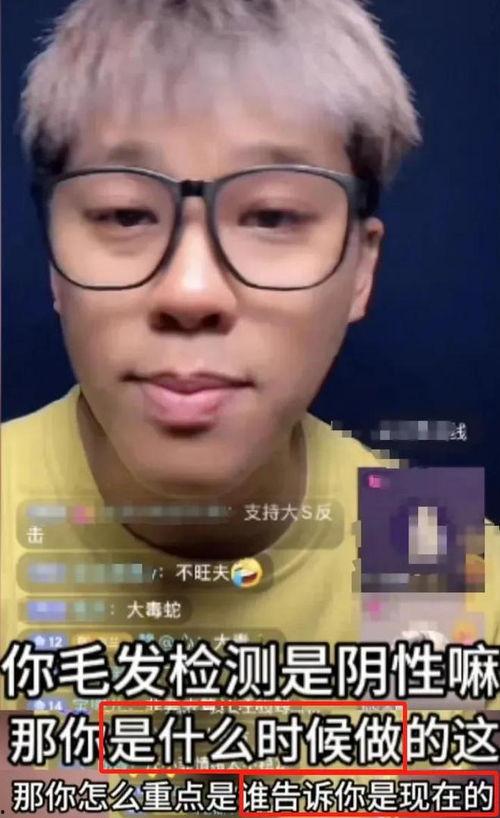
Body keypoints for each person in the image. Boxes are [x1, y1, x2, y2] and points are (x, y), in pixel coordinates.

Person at [1, 0, 498, 729]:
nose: (190, 291)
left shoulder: (433, 553)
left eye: (272, 216)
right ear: (54, 259)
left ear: (361, 270)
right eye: (125, 214)